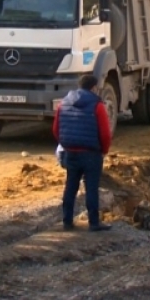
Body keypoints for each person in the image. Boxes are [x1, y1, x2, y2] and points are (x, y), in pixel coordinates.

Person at [53, 74, 113, 232]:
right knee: (91, 187)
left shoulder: (63, 103)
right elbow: (105, 133)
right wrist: (104, 150)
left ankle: (67, 221)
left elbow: (56, 129)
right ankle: (94, 223)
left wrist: (66, 144)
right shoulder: (97, 105)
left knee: (70, 186)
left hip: (70, 151)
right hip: (91, 153)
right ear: (93, 87)